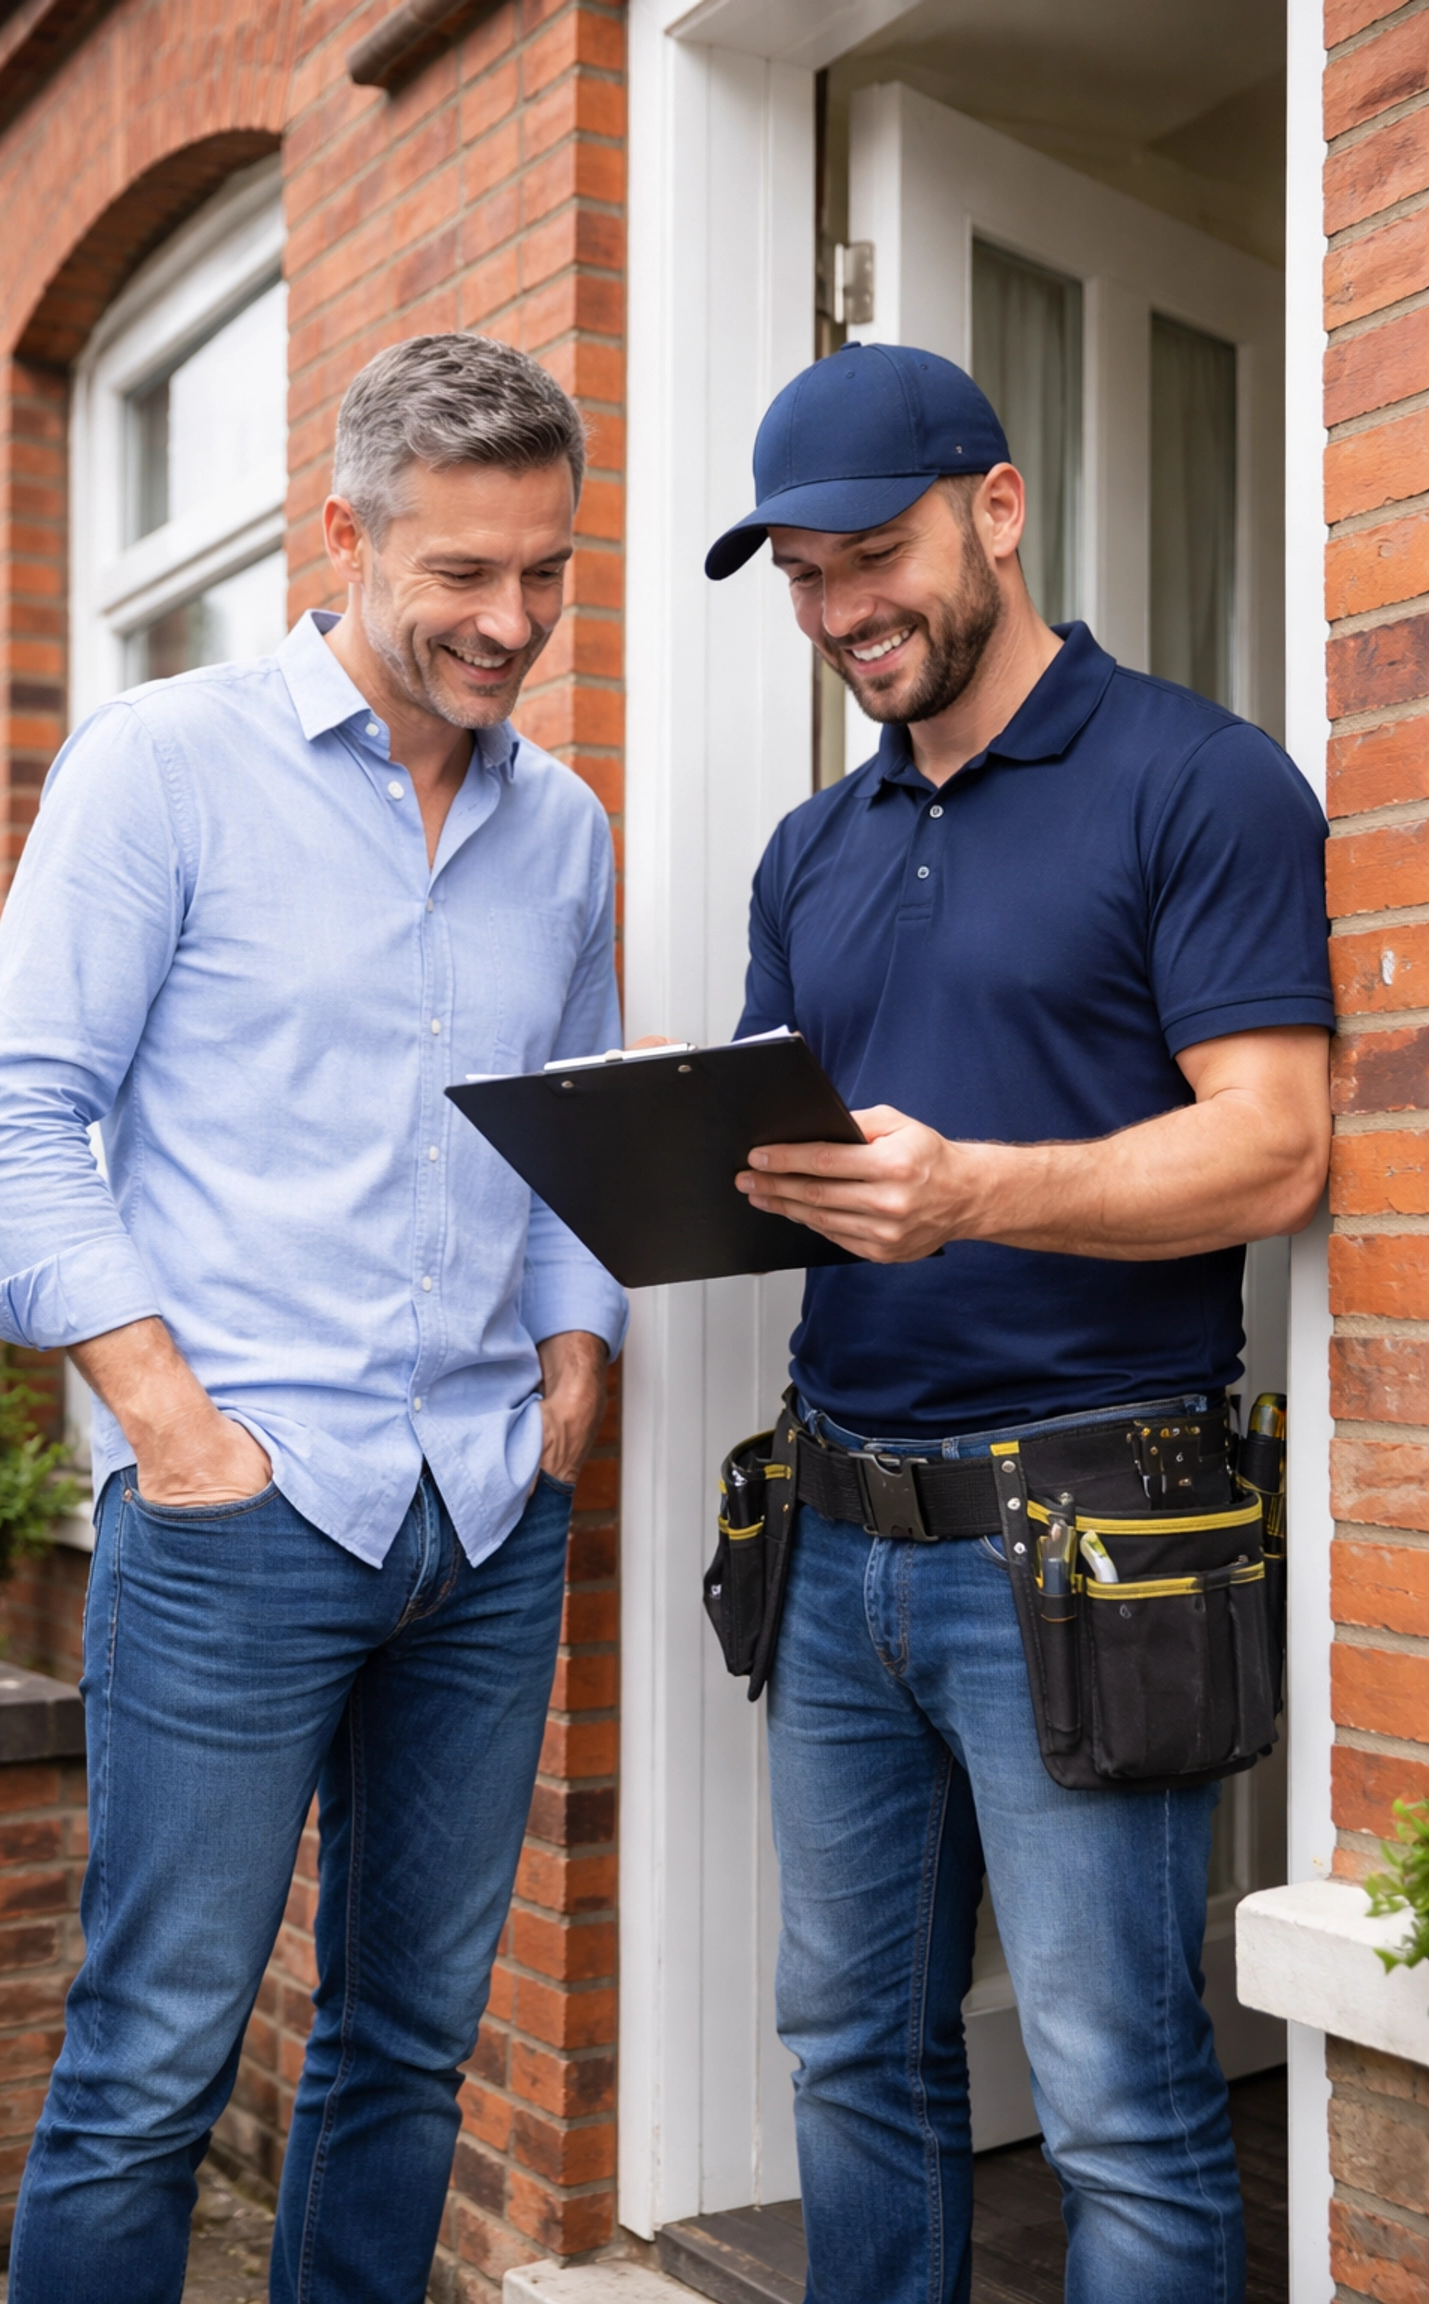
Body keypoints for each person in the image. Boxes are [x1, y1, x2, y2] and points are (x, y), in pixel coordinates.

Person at [0, 333, 626, 2304]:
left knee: (409, 2052)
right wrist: (171, 1425)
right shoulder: (165, 767)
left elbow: (576, 1112)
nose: (512, 622)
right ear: (343, 537)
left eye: (547, 575)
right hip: (242, 1513)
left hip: (490, 1517)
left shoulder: (564, 829)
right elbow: (20, 1114)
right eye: (465, 578)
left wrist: (574, 1350)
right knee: (152, 2067)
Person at [705, 343, 1332, 2304]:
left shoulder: (1197, 780)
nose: (838, 611)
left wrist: (976, 1187)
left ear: (998, 508)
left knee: (1120, 2102)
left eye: (869, 554)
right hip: (834, 1546)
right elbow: (776, 1143)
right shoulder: (809, 849)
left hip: (1090, 1545)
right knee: (850, 2053)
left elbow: (1277, 1151)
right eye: (800, 576)